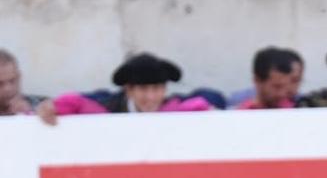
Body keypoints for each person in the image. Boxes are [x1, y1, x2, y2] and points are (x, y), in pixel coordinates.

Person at [36, 53, 215, 124]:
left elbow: (210, 98)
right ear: (129, 90)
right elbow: (76, 102)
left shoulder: (176, 106)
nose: (151, 96)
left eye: (157, 89)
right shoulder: (108, 105)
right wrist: (53, 108)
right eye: (143, 89)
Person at [233, 46, 301, 110]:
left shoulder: (294, 110)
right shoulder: (240, 115)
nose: (282, 93)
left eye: (285, 87)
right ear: (257, 81)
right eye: (277, 86)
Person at [0, 49, 48, 116]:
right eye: (0, 84)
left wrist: (31, 114)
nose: (8, 88)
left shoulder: (43, 105)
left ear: (19, 77)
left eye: (12, 81)